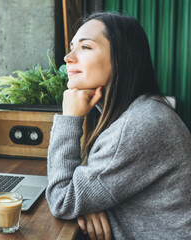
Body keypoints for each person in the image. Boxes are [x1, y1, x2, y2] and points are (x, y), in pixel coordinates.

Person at [46, 12, 191, 240]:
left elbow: (62, 200)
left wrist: (69, 119)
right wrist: (86, 205)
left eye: (85, 47)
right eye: (72, 46)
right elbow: (83, 187)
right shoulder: (129, 111)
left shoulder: (140, 124)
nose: (68, 57)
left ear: (122, 57)